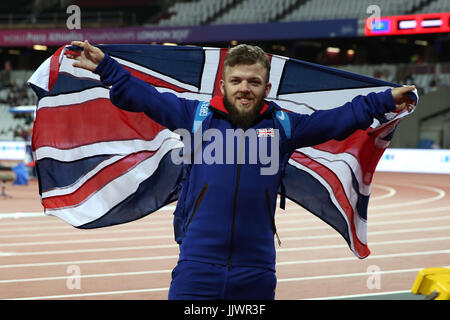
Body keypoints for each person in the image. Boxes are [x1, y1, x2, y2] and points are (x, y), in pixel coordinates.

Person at [67, 40, 416, 300]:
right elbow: (144, 96)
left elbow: (340, 118)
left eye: (253, 81)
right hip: (197, 267)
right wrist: (105, 67)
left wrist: (386, 100)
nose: (244, 88)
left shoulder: (284, 126)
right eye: (236, 81)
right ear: (223, 86)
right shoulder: (196, 117)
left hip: (257, 270)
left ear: (266, 87)